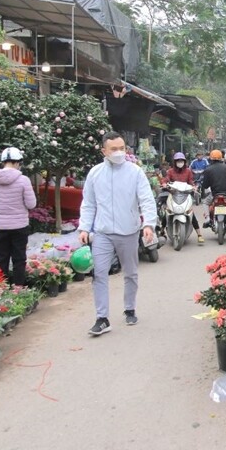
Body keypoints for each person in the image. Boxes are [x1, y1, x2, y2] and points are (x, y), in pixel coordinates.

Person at [78, 131, 157, 336]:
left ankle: (130, 308)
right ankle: (102, 318)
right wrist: (84, 227)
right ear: (104, 151)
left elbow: (146, 199)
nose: (119, 152)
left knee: (130, 272)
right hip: (102, 233)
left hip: (128, 231)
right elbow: (88, 203)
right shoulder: (95, 173)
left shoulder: (135, 172)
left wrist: (148, 224)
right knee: (99, 274)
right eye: (114, 149)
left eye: (122, 148)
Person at [0, 147, 37, 286]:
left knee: (1, 260)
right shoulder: (23, 180)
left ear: (3, 162)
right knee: (19, 259)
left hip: (0, 226)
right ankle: (18, 289)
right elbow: (31, 204)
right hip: (20, 226)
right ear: (17, 162)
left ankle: (1, 289)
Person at [200, 149, 226, 238]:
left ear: (211, 158)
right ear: (221, 158)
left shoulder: (208, 169)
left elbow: (205, 185)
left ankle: (207, 218)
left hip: (214, 194)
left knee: (205, 202)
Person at [163, 152, 204, 244]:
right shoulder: (170, 171)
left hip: (185, 195)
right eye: (178, 161)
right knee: (167, 212)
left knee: (190, 213)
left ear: (184, 162)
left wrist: (194, 187)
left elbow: (190, 181)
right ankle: (162, 230)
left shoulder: (188, 171)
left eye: (181, 161)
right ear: (175, 162)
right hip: (173, 194)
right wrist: (164, 184)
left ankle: (199, 234)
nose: (180, 162)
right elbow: (166, 179)